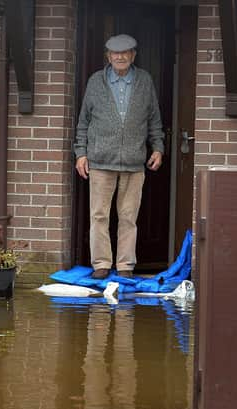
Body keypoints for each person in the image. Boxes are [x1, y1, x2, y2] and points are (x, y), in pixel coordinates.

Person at [74, 34, 164, 280]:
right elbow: (84, 121)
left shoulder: (144, 80)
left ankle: (125, 266)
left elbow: (154, 119)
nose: (120, 57)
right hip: (101, 161)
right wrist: (81, 152)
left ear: (133, 55)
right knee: (99, 215)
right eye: (115, 53)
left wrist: (158, 147)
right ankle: (101, 264)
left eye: (126, 52)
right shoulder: (96, 81)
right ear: (108, 56)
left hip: (135, 162)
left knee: (128, 217)